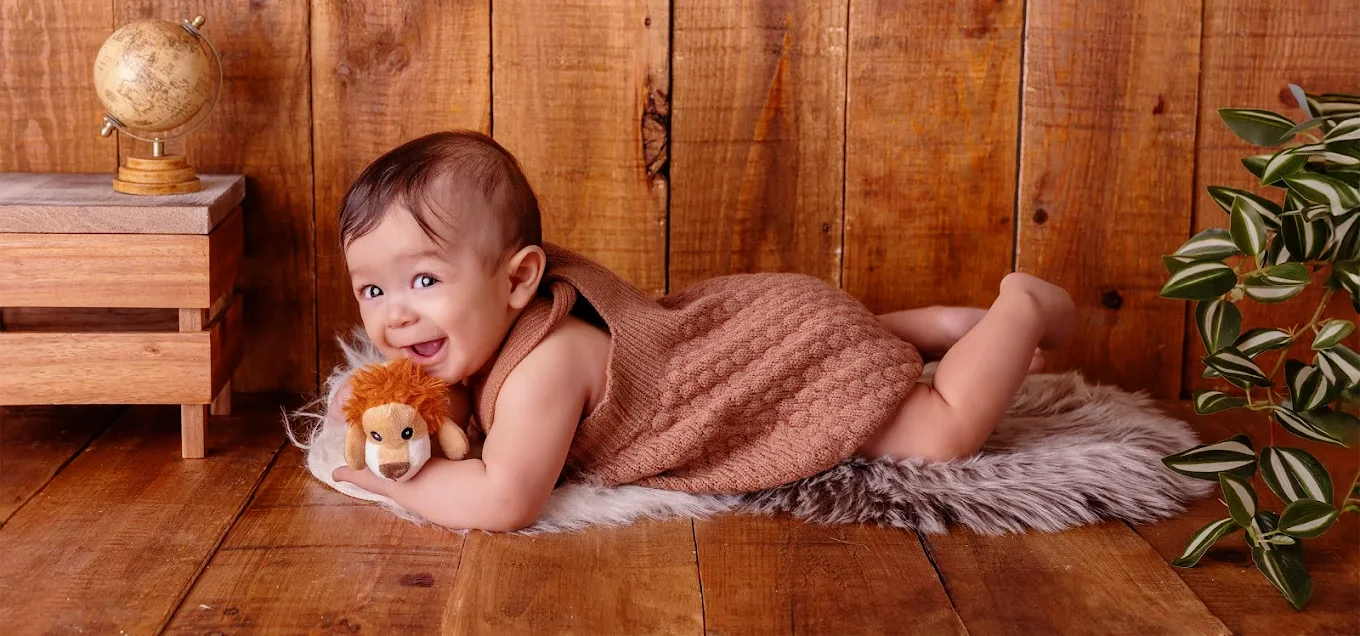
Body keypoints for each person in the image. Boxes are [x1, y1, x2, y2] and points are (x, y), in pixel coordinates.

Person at [327, 130, 1075, 532]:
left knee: (937, 432)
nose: (395, 313)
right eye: (373, 288)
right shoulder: (491, 330)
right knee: (839, 342)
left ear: (520, 279)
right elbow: (441, 402)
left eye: (425, 280)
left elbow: (502, 499)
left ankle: (1020, 306)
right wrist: (378, 411)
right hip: (758, 324)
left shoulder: (543, 370)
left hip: (778, 360)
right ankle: (939, 325)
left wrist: (393, 477)